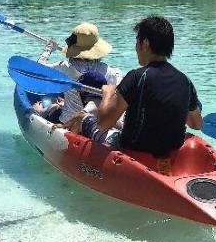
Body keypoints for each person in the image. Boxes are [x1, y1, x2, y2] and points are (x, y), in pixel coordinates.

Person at [63, 16, 203, 169]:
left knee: (85, 120)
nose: (136, 47)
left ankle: (74, 164)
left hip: (132, 151)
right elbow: (196, 124)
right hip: (170, 152)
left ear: (145, 43)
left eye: (137, 41)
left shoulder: (136, 77)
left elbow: (103, 124)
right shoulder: (185, 81)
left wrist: (108, 93)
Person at [33, 22, 123, 124]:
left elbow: (38, 69)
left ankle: (41, 111)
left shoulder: (64, 67)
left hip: (68, 121)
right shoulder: (109, 71)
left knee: (50, 109)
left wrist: (48, 49)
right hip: (96, 123)